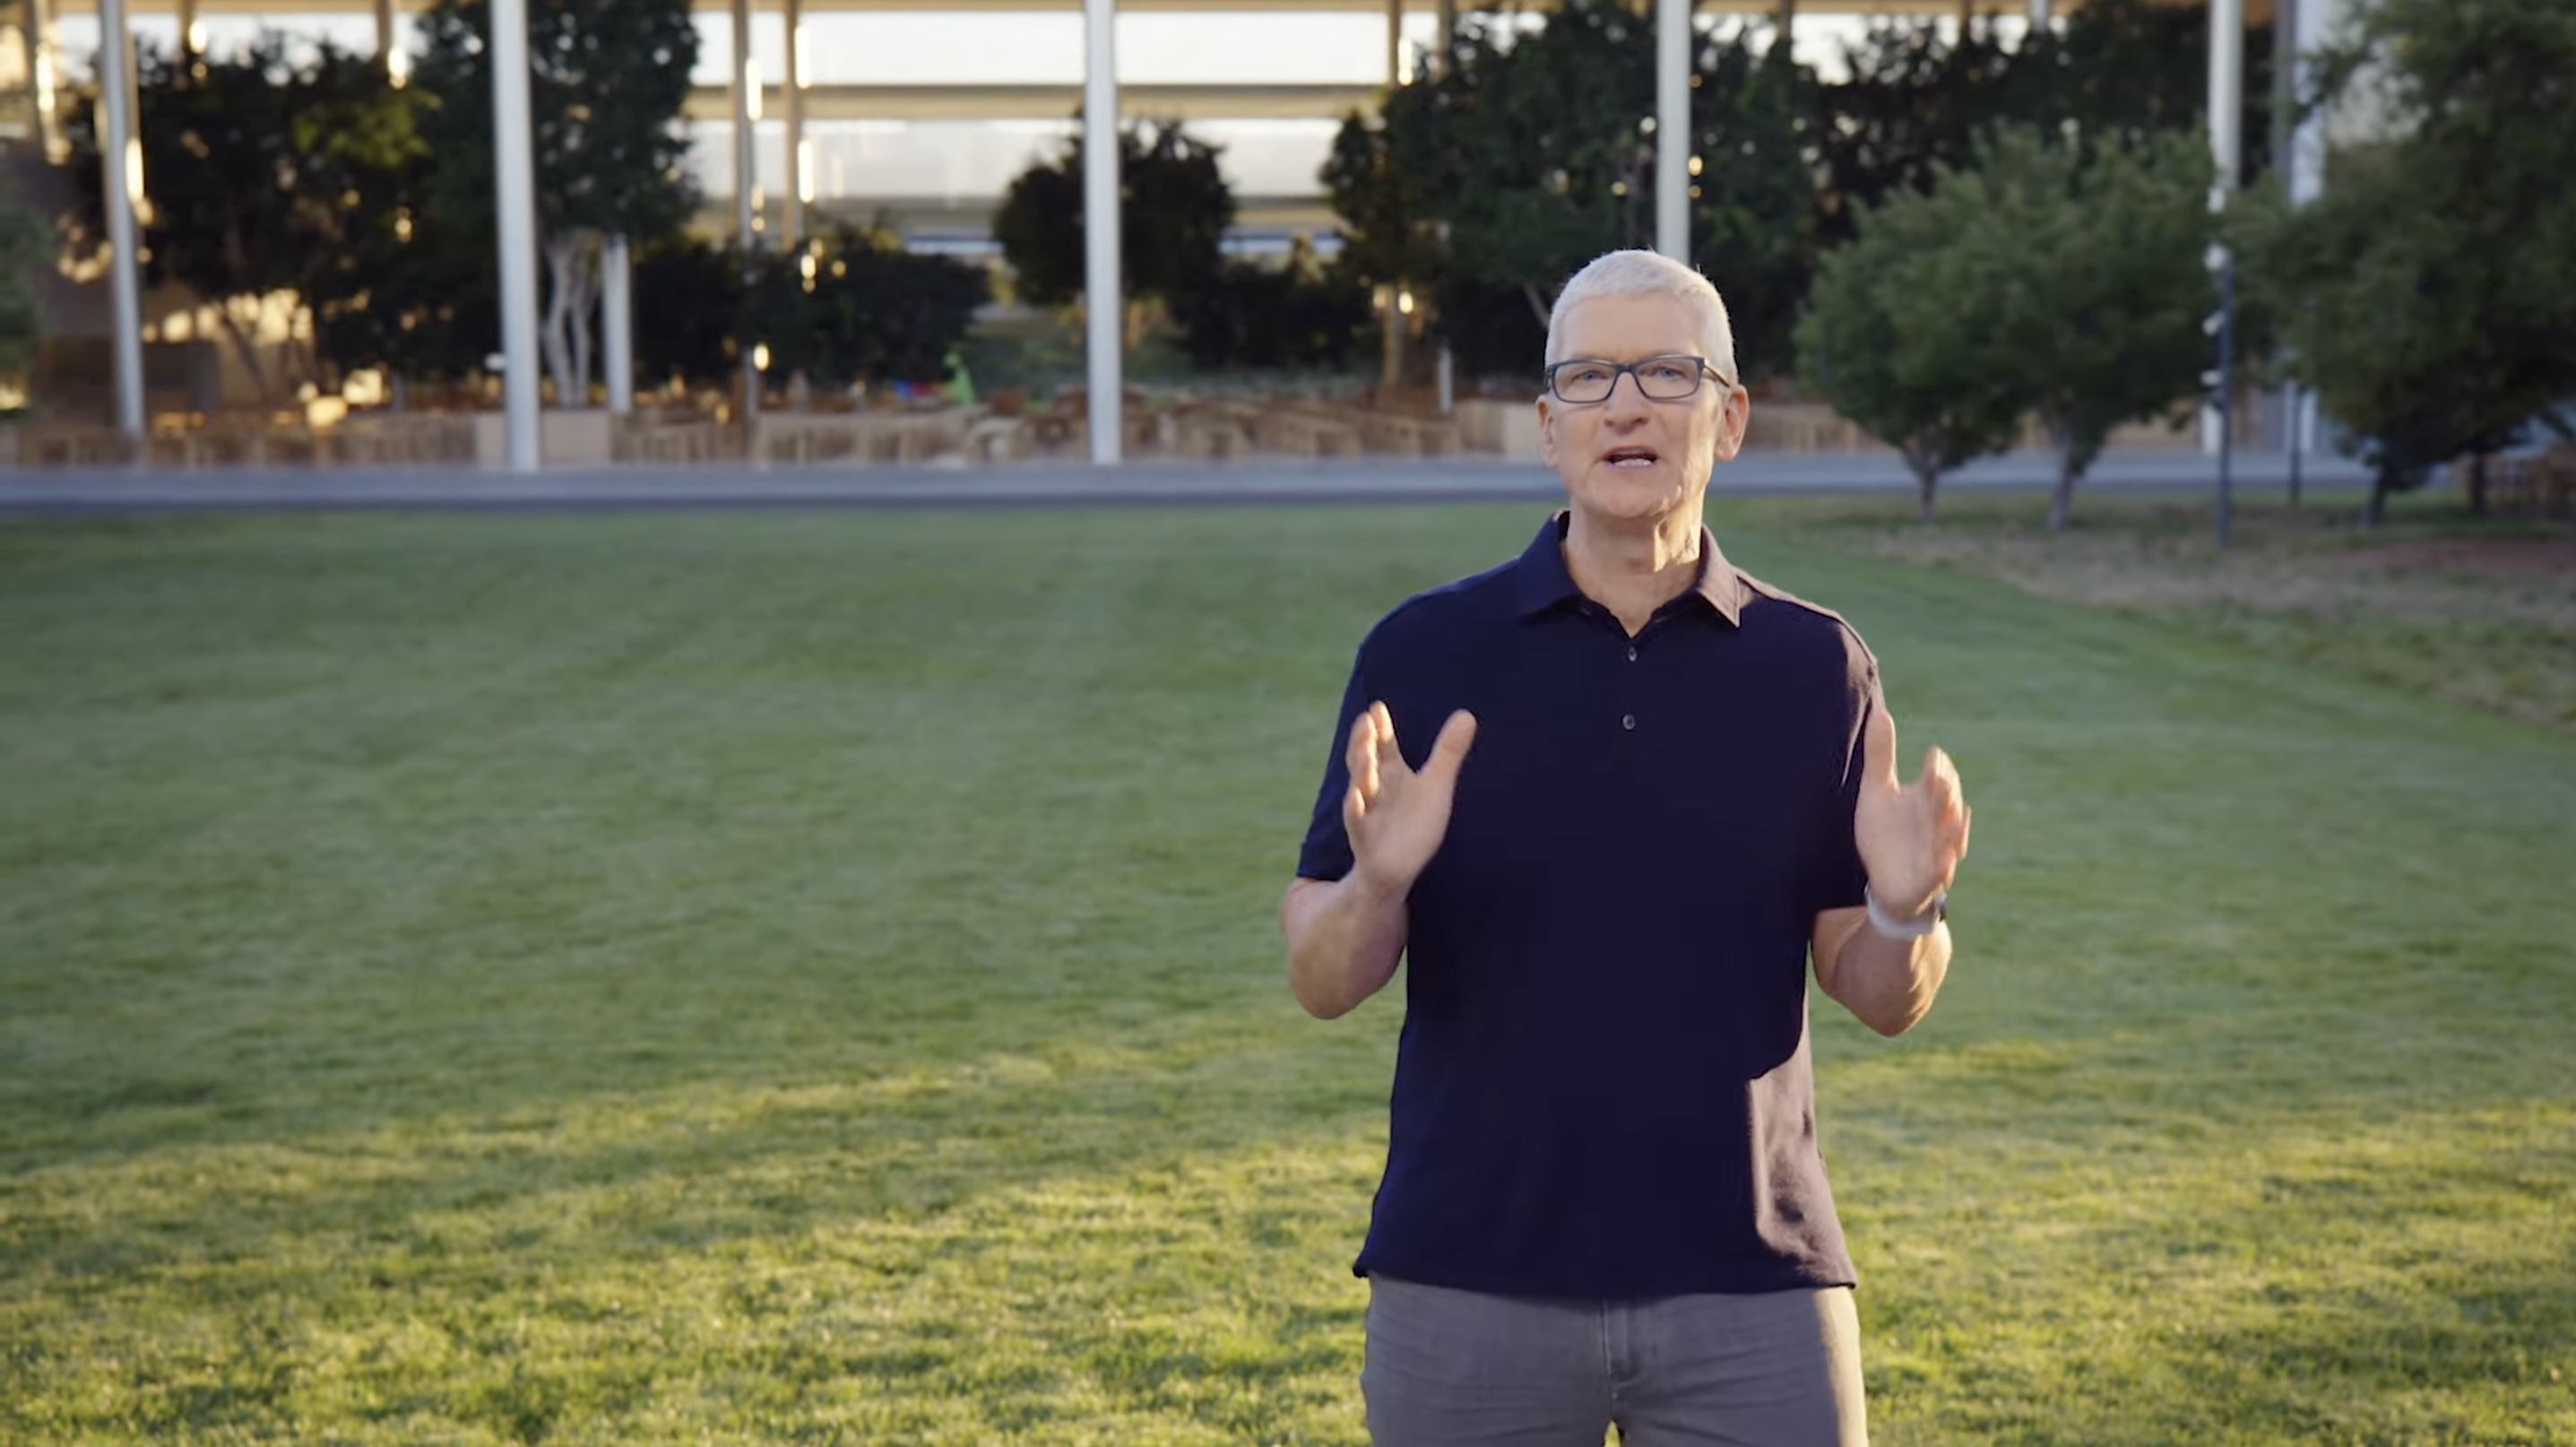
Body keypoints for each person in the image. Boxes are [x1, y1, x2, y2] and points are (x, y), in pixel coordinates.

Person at [1279, 248, 1973, 1447]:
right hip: (1467, 1282)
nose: (1627, 405)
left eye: (1665, 371)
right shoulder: (1426, 651)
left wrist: (1906, 914)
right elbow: (1321, 978)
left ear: (1729, 416)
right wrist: (1377, 884)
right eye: (1589, 379)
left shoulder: (1814, 669)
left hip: (1751, 1282)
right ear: (1549, 428)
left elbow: (1878, 993)